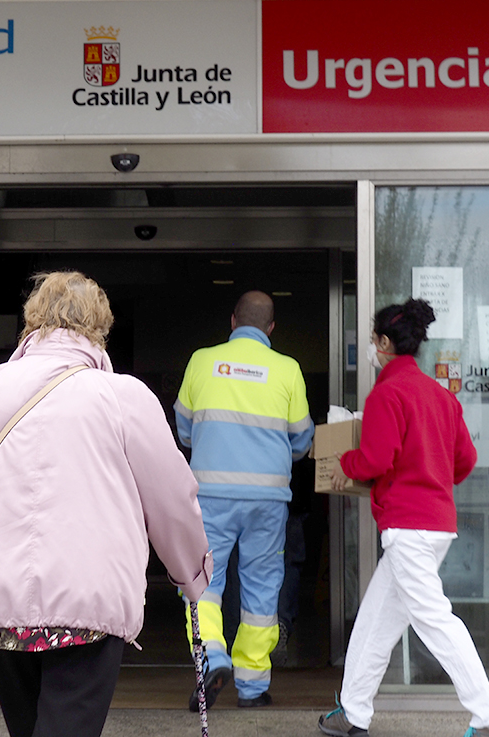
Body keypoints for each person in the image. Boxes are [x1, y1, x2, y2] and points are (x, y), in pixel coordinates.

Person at [0, 271, 213, 737]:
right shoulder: (124, 397)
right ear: (100, 326)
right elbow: (173, 499)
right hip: (88, 606)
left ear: (32, 319)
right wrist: (191, 576)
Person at [319, 298, 489, 737]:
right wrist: (429, 472)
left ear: (386, 343)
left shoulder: (387, 394)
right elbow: (465, 461)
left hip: (406, 526)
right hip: (435, 525)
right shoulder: (441, 397)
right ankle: (352, 713)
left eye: (373, 340)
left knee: (434, 620)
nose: (372, 347)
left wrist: (343, 465)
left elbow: (374, 459)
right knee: (375, 622)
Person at [175, 290, 314, 709]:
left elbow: (183, 430)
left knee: (204, 583)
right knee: (260, 588)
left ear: (233, 321)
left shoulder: (202, 360)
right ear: (271, 328)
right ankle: (252, 688)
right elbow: (303, 438)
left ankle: (212, 657)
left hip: (211, 495)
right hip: (268, 499)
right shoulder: (288, 369)